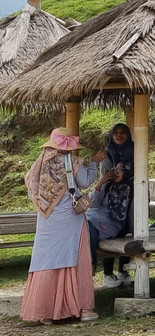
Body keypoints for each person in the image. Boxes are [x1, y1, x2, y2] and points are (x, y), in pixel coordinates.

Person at [21, 127, 98, 324]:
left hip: (47, 218)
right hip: (69, 219)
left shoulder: (41, 162)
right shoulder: (72, 162)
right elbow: (86, 181)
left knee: (46, 259)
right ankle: (83, 308)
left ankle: (45, 311)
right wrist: (94, 164)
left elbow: (30, 181)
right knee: (75, 257)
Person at [87, 123, 135, 288]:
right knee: (88, 225)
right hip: (101, 217)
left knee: (127, 233)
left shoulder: (135, 153)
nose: (119, 135)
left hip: (121, 214)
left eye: (123, 132)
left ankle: (122, 272)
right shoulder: (109, 155)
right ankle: (105, 273)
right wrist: (102, 183)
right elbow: (93, 204)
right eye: (116, 133)